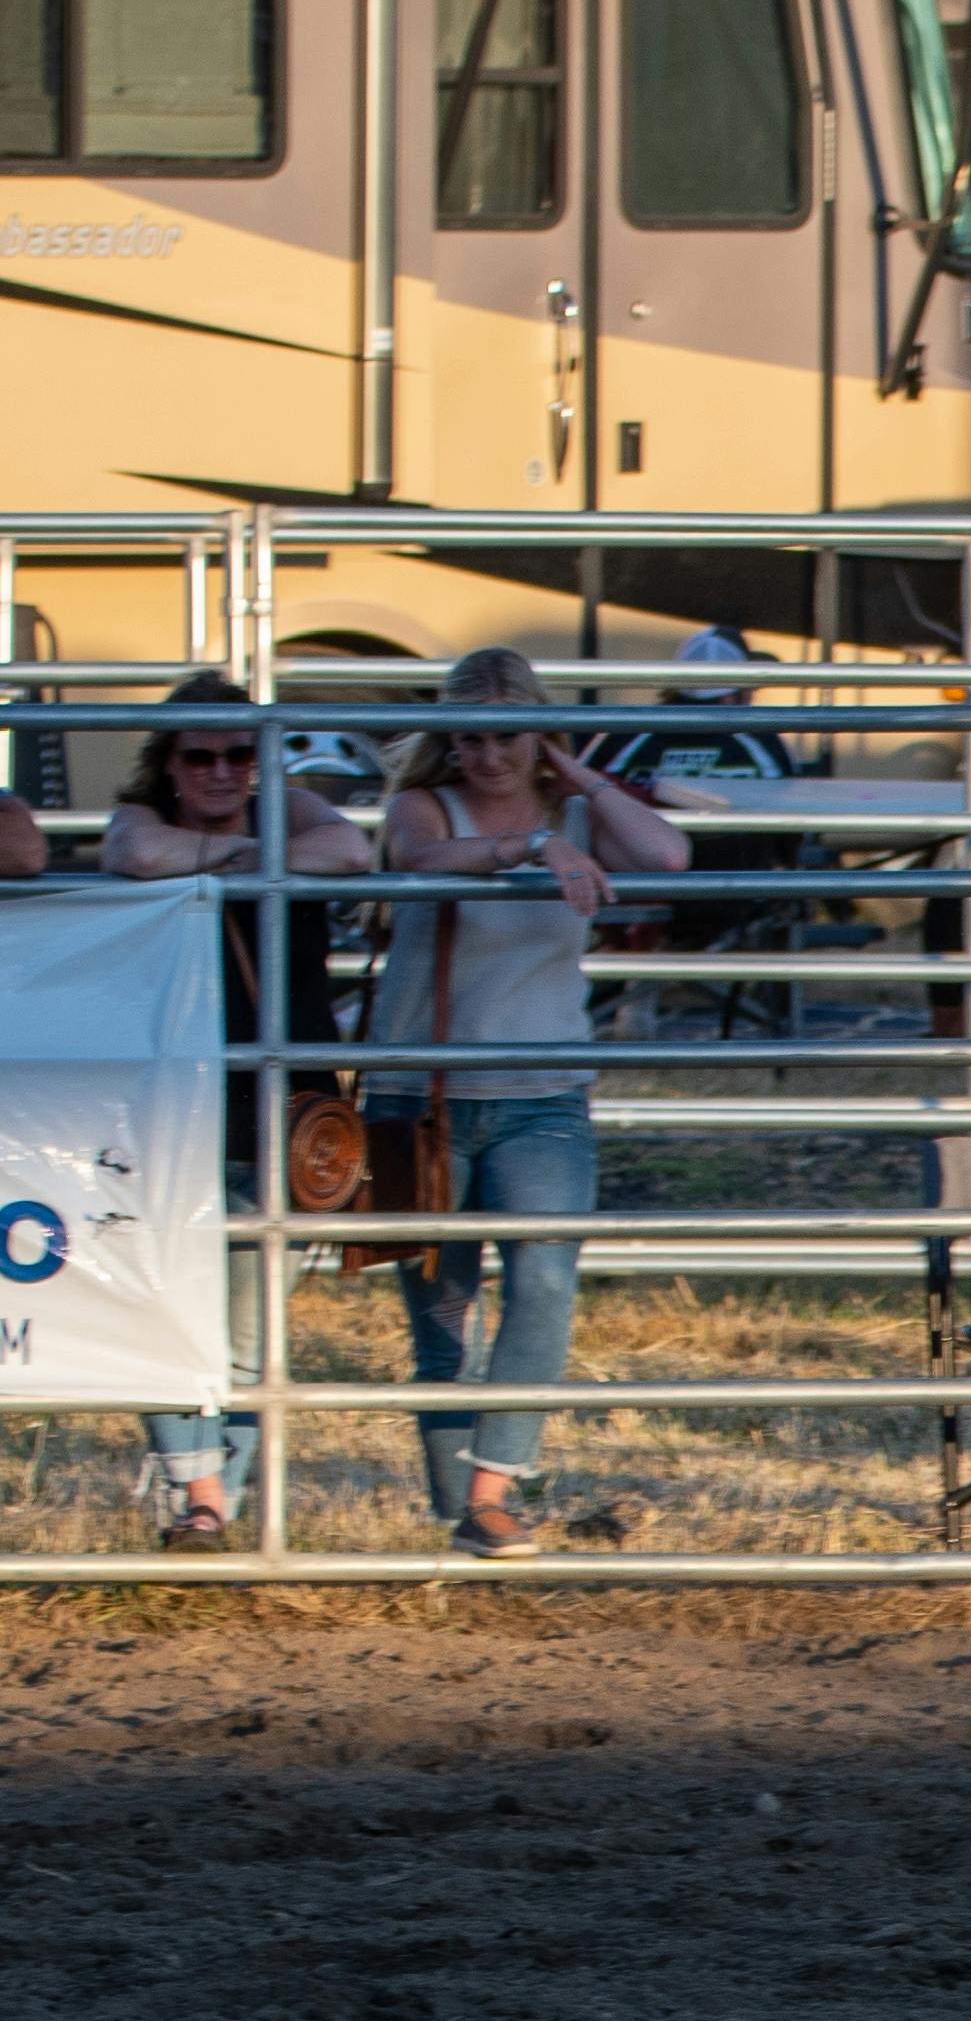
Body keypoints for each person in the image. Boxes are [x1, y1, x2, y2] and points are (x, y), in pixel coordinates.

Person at [372, 645, 691, 1559]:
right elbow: (421, 858)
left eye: (508, 734)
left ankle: (492, 1491)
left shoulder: (578, 808)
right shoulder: (424, 803)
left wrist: (574, 778)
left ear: (538, 732)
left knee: (544, 1284)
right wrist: (532, 844)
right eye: (468, 737)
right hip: (421, 1089)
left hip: (542, 1092)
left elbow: (668, 853)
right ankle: (461, 1514)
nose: (487, 755)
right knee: (441, 1313)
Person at [101, 680, 372, 1547]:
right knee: (163, 1299)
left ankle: (213, 1503)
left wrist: (231, 845)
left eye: (241, 753)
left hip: (288, 1100)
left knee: (255, 1317)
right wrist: (261, 855)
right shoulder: (142, 818)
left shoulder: (282, 810)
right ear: (167, 764)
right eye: (200, 755)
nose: (222, 771)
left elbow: (353, 856)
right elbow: (138, 856)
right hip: (176, 1098)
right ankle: (201, 1496)